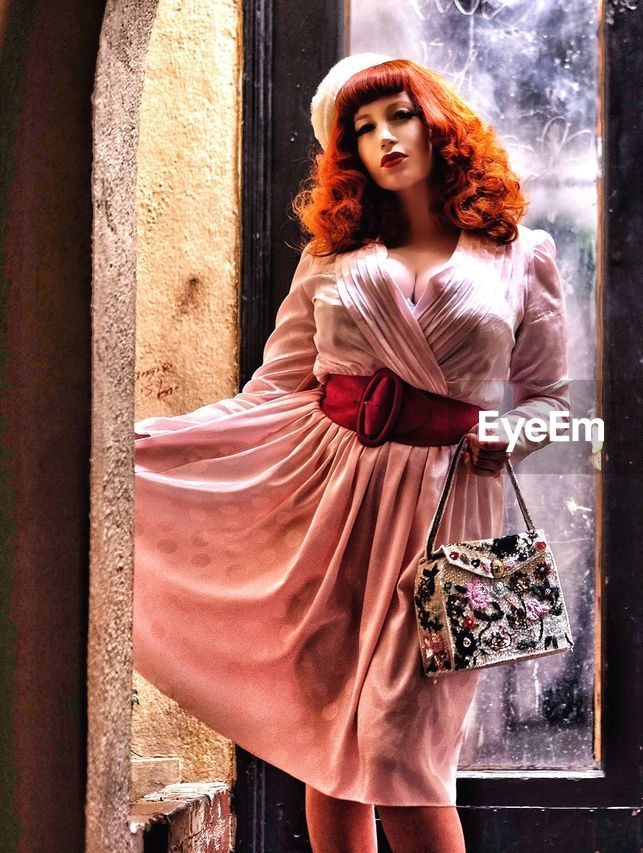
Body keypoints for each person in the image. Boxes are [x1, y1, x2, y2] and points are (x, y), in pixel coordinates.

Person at [132, 54, 570, 852]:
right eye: (360, 130)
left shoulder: (520, 252)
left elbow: (553, 398)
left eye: (399, 115)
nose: (384, 138)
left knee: (406, 752)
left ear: (438, 123)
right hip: (327, 498)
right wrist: (163, 448)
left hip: (450, 514)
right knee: (332, 745)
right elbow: (275, 389)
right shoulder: (331, 257)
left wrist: (514, 432)